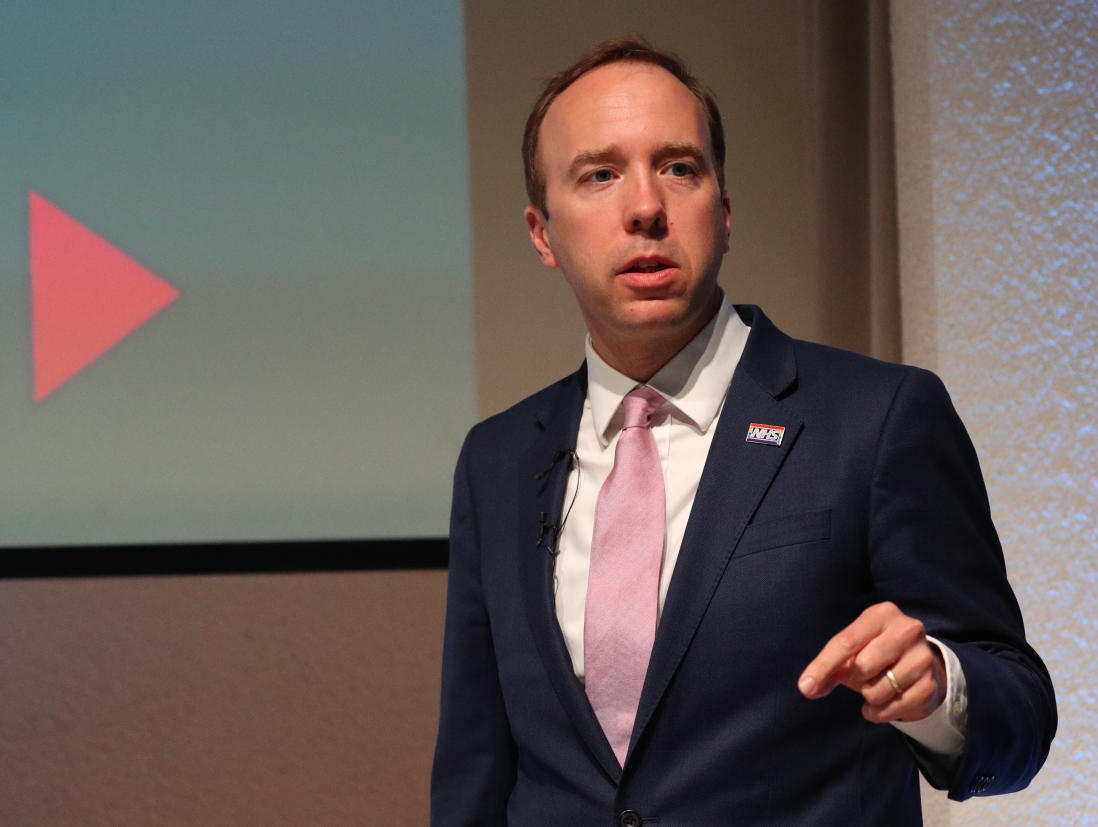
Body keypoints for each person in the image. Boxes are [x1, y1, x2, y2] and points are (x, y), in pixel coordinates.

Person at [432, 38, 1055, 825]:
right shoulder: (496, 461)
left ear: (724, 212)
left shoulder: (877, 419)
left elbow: (1021, 715)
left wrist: (935, 683)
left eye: (680, 167)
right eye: (600, 174)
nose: (646, 207)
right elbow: (475, 771)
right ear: (542, 232)